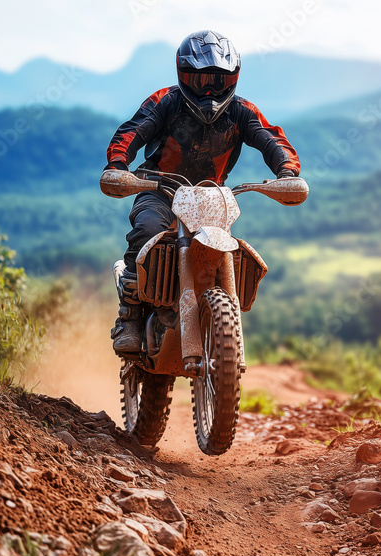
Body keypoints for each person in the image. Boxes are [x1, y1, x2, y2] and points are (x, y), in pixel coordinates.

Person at [104, 30, 299, 354]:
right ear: (183, 76)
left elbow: (271, 139)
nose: (209, 89)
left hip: (210, 197)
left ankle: (218, 312)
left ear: (233, 79)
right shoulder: (165, 101)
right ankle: (131, 317)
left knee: (229, 247)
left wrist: (287, 171)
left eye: (218, 81)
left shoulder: (242, 111)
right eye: (200, 80)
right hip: (159, 188)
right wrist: (118, 164)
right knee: (148, 230)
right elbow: (132, 131)